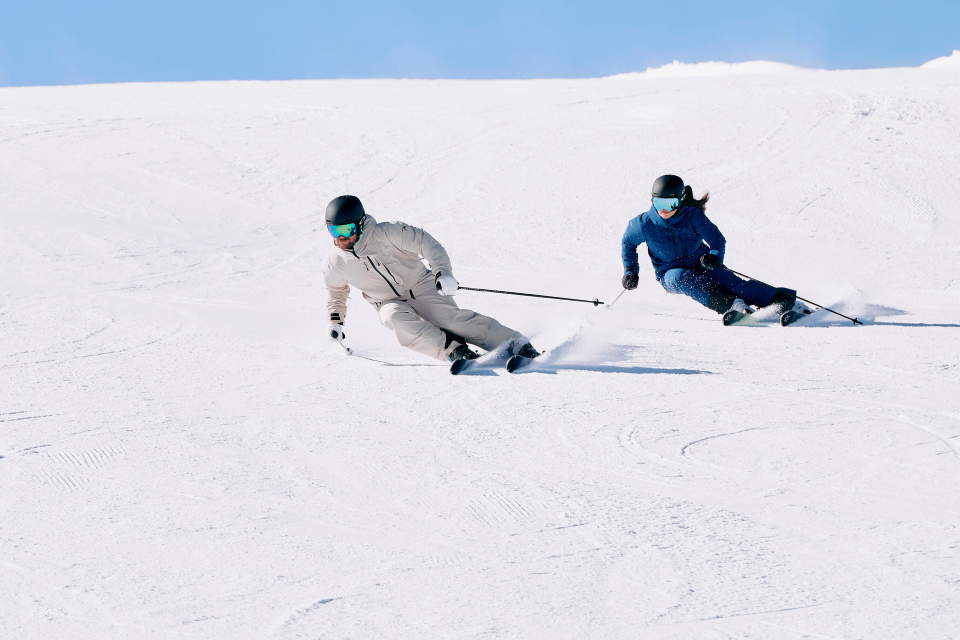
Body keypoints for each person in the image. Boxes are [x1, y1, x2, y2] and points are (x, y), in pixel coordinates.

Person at [322, 195, 540, 361]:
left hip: (420, 284)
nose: (340, 238)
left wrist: (443, 273)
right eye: (334, 231)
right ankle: (454, 351)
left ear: (360, 224)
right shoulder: (335, 261)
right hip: (386, 301)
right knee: (395, 320)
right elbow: (336, 291)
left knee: (450, 320)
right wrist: (335, 322)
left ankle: (515, 344)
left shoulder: (389, 232)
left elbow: (427, 244)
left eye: (346, 229)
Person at [620, 175, 811, 324]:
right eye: (658, 203)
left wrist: (714, 257)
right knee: (682, 279)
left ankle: (790, 303)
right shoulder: (643, 224)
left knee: (736, 285)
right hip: (669, 272)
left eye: (671, 204)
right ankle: (734, 306)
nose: (664, 210)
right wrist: (630, 271)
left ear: (680, 200)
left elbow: (717, 240)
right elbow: (628, 243)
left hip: (701, 262)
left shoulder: (692, 216)